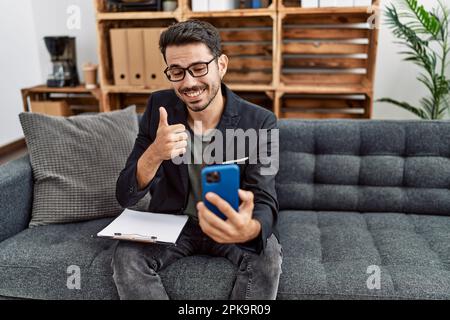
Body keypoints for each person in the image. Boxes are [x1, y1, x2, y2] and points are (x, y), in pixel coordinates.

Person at [113, 20, 282, 300]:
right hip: (173, 223)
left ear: (221, 65)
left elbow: (265, 197)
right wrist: (154, 153)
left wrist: (250, 229)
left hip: (229, 222)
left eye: (199, 68)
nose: (189, 82)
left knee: (267, 255)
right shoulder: (159, 108)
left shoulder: (260, 121)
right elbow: (125, 194)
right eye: (176, 72)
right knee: (127, 255)